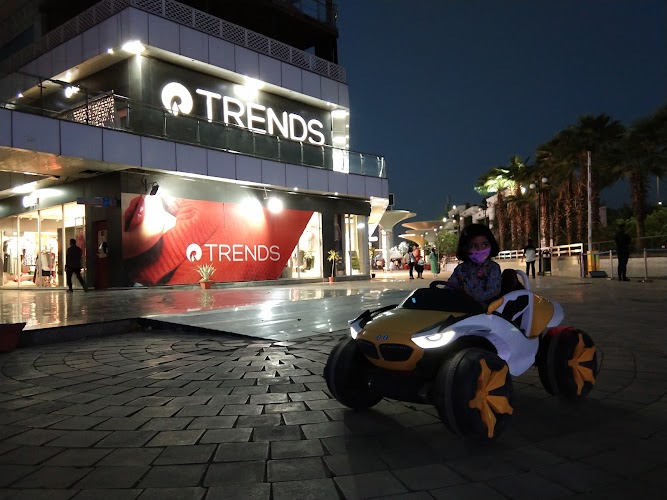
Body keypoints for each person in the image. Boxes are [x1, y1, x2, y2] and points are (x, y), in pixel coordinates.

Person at [448, 224, 502, 306]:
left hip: (487, 310)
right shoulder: (461, 269)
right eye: (474, 245)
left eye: (485, 245)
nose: (480, 249)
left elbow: (492, 292)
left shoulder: (493, 268)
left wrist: (467, 300)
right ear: (465, 248)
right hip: (463, 309)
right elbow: (450, 287)